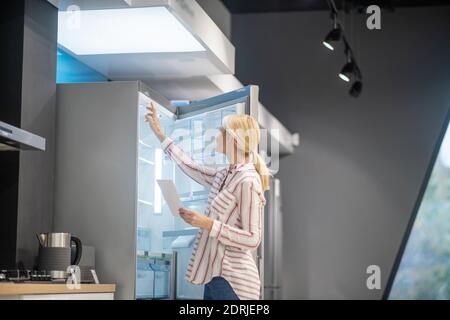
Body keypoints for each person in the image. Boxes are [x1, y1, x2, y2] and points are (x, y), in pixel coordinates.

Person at [145, 102, 270, 300]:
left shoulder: (248, 180)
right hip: (215, 278)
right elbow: (190, 166)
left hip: (235, 283)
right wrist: (160, 133)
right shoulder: (225, 175)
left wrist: (207, 223)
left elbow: (253, 239)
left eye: (222, 131)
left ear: (233, 139)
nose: (217, 134)